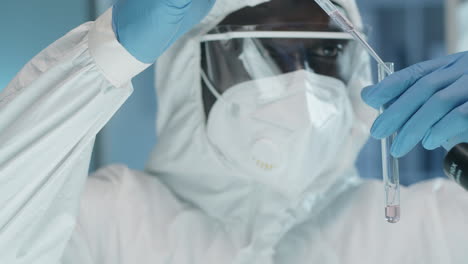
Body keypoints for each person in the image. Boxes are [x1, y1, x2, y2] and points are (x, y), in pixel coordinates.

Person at [1, 0, 468, 264]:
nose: (302, 81)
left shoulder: (434, 224)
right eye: (264, 52)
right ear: (189, 70)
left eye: (325, 53)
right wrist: (104, 55)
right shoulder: (108, 220)